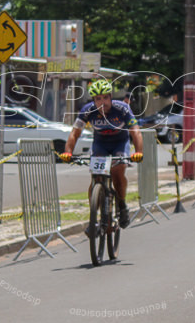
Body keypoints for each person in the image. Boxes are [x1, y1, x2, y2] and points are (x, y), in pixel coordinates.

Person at [61, 79, 143, 230]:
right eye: (98, 99)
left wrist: (138, 152)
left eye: (105, 97)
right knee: (96, 177)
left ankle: (122, 204)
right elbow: (74, 133)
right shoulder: (87, 110)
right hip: (101, 145)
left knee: (117, 172)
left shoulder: (122, 109)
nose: (102, 102)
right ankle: (94, 218)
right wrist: (68, 152)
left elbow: (135, 131)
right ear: (93, 100)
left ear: (111, 97)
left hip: (120, 143)